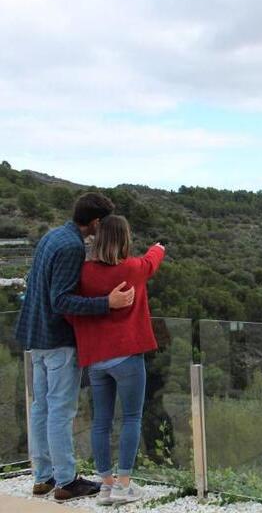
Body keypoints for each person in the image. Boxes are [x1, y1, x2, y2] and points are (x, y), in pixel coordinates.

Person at [14, 193, 135, 502]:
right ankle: (67, 482)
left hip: (36, 335)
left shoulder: (52, 236)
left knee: (41, 408)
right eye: (103, 223)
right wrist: (107, 302)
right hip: (58, 339)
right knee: (60, 410)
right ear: (95, 222)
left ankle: (43, 477)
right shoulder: (71, 247)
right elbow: (61, 300)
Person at [68, 215, 165, 505]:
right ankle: (123, 485)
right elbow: (151, 262)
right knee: (132, 418)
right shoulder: (132, 268)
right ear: (124, 239)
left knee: (101, 420)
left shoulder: (85, 273)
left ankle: (106, 485)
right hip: (127, 357)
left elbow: (70, 306)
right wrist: (159, 247)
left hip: (97, 359)